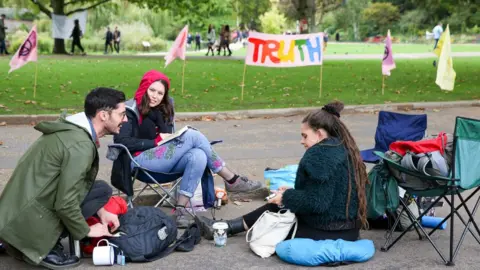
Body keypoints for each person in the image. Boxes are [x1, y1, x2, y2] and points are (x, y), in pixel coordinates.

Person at [112, 70, 263, 228]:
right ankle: (232, 180)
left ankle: (180, 211)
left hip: (164, 160)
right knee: (192, 135)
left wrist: (160, 117)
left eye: (160, 93)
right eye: (152, 90)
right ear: (144, 87)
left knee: (198, 155)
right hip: (138, 162)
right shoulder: (129, 110)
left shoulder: (163, 108)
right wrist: (155, 141)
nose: (155, 96)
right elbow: (122, 141)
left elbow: (168, 139)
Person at [198, 102, 369, 242]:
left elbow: (318, 202)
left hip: (326, 231)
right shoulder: (344, 148)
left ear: (318, 134)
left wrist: (286, 197)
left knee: (276, 206)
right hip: (350, 231)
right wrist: (290, 193)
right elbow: (327, 193)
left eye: (304, 136)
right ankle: (227, 227)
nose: (302, 141)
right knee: (278, 202)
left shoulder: (318, 155)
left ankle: (225, 227)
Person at [0, 88, 127, 269]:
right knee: (90, 194)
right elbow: (65, 202)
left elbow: (77, 187)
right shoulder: (80, 145)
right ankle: (42, 246)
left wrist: (100, 210)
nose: (126, 119)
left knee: (101, 190)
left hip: (13, 213)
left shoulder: (72, 130)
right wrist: (87, 230)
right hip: (26, 220)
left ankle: (14, 238)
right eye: (122, 114)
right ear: (104, 115)